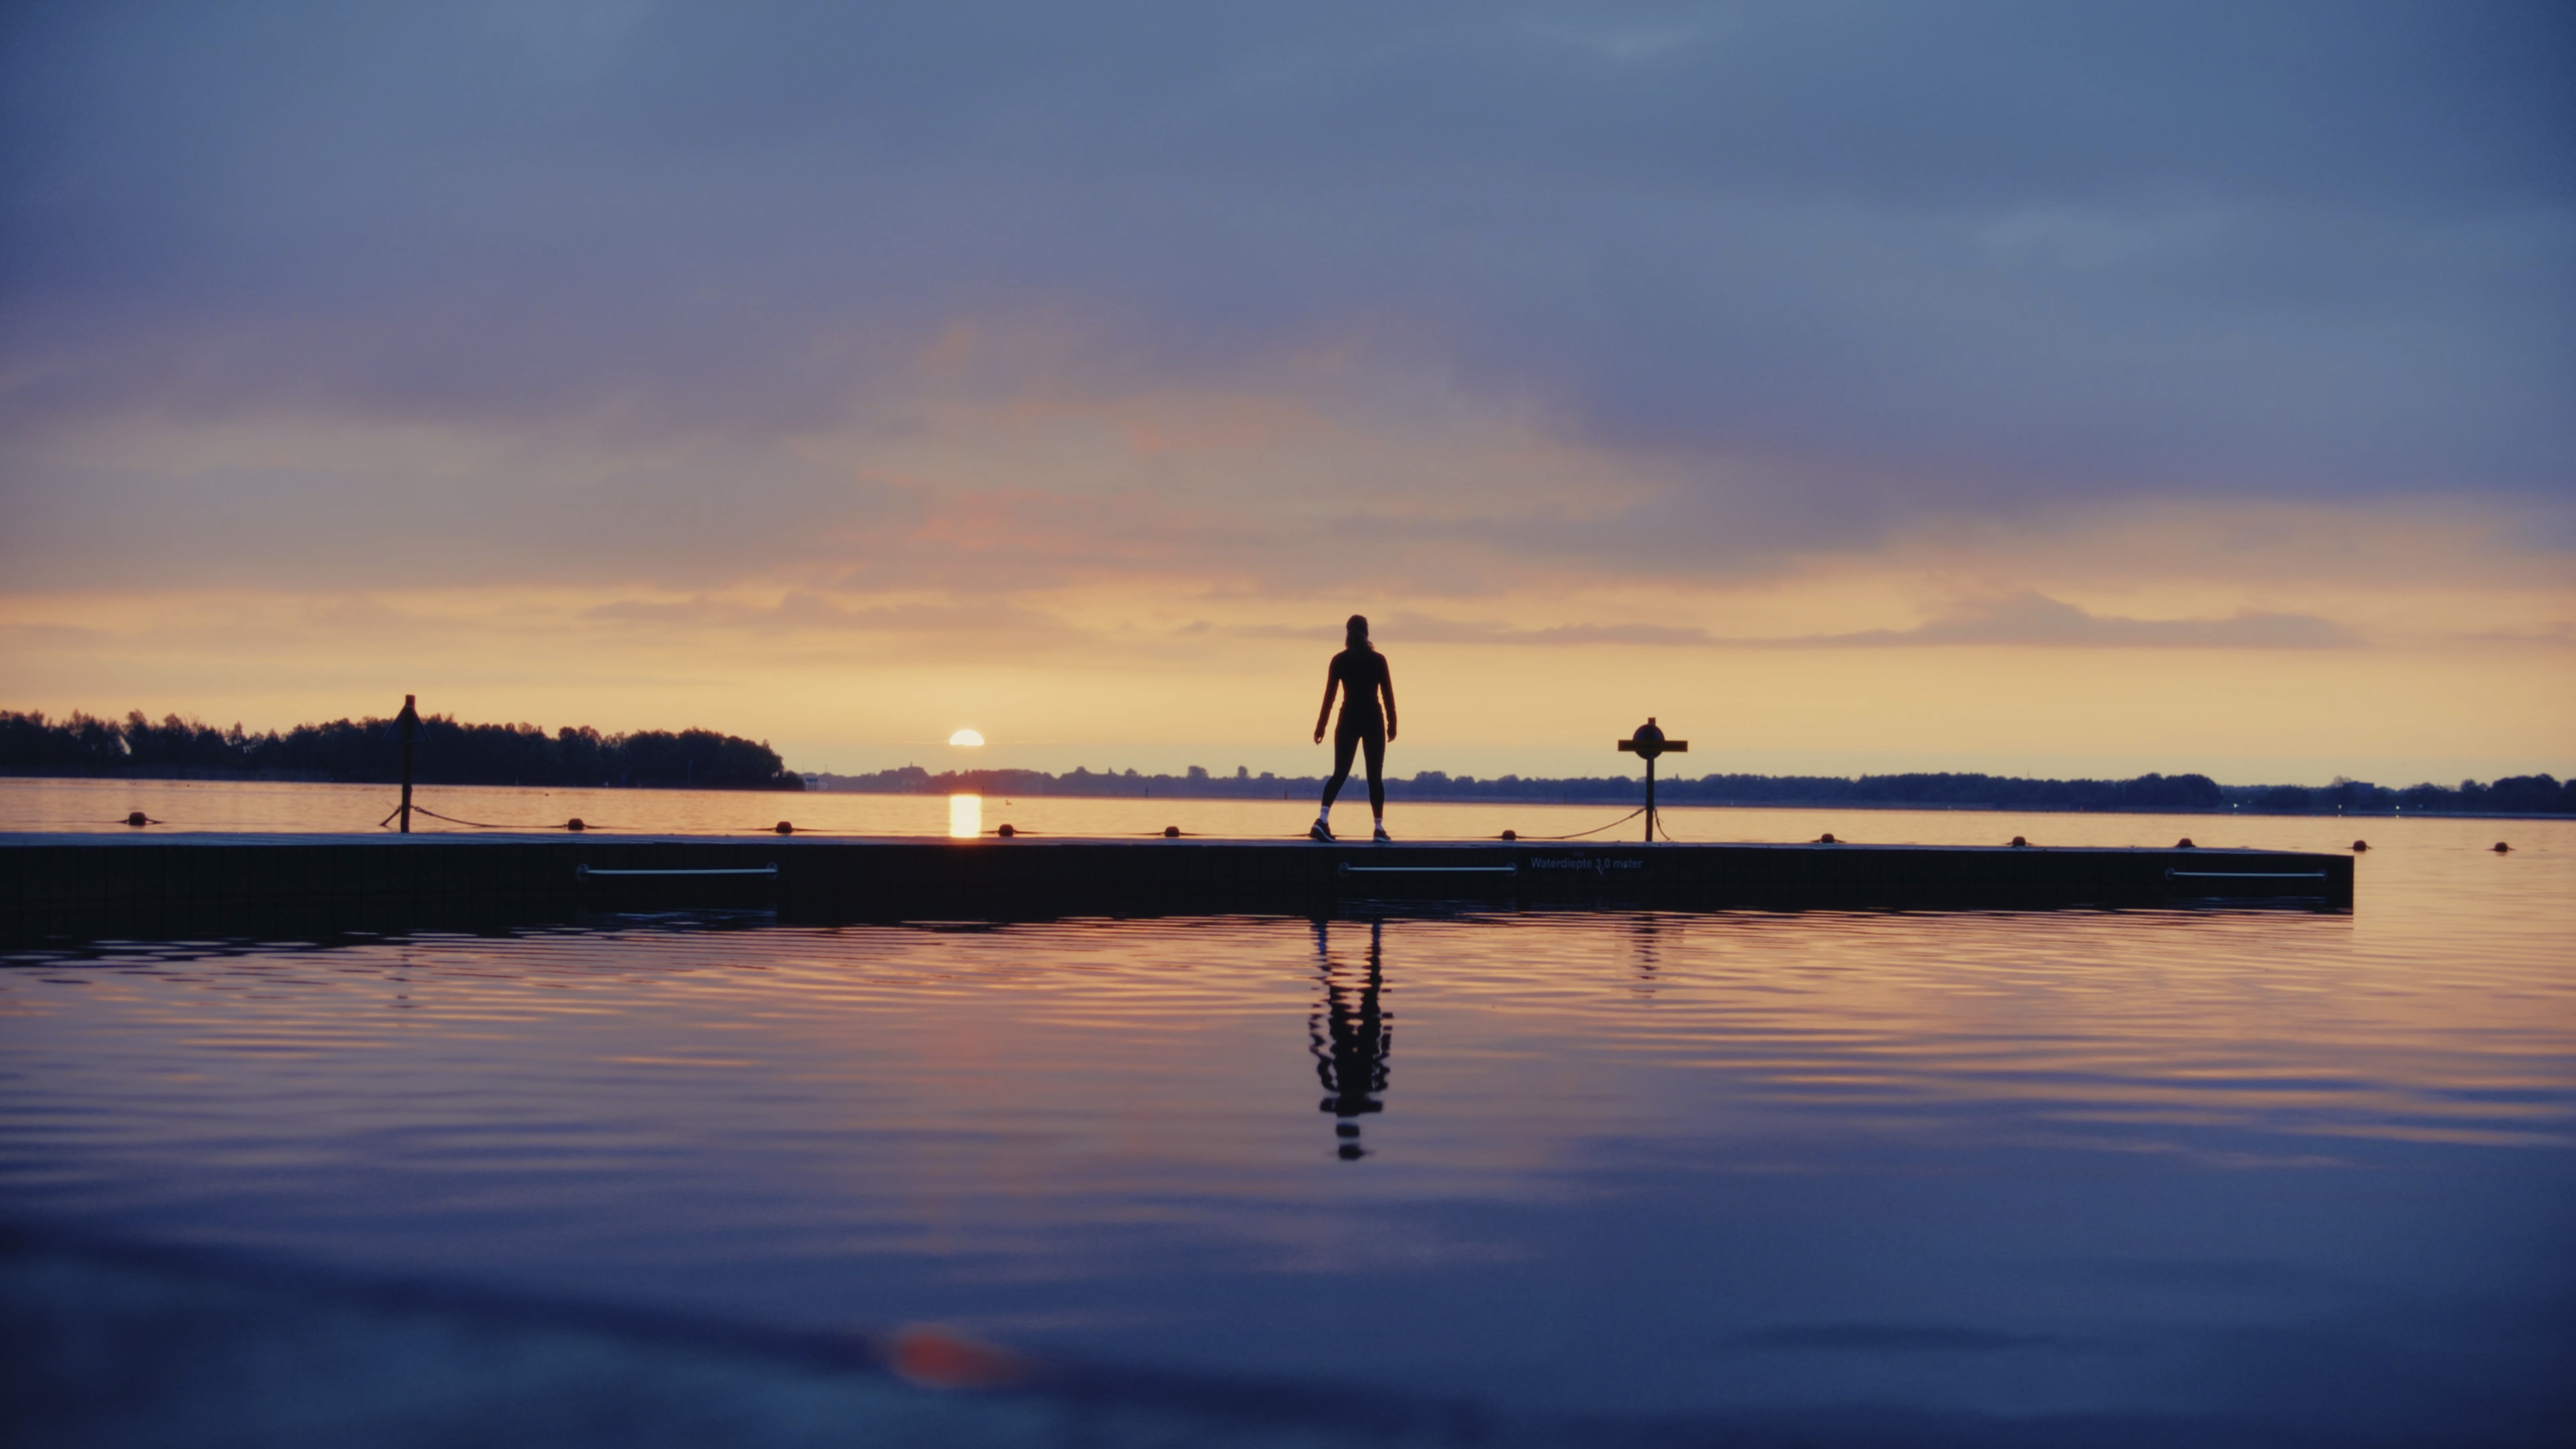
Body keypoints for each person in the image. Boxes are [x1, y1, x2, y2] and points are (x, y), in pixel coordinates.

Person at [1311, 614, 1397, 842]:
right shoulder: (1378, 660)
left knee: (1340, 773)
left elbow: (1329, 697)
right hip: (1372, 721)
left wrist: (1321, 727)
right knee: (1375, 777)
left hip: (1348, 719)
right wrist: (1392, 724)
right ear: (1367, 633)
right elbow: (1388, 695)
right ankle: (1379, 829)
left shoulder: (1340, 660)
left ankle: (1322, 820)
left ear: (1347, 634)